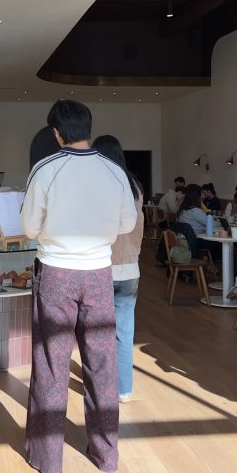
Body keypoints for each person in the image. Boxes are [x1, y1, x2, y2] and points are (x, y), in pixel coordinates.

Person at [21, 101, 137, 473]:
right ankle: (106, 456)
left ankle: (48, 460)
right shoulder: (114, 171)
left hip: (56, 272)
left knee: (52, 365)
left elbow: (29, 229)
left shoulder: (46, 169)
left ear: (57, 133)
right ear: (88, 127)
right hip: (99, 273)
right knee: (103, 365)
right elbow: (126, 223)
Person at [92, 135, 143, 405]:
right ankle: (124, 390)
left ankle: (102, 387)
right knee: (125, 331)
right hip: (131, 267)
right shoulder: (134, 185)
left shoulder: (102, 183)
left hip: (103, 265)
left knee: (98, 332)